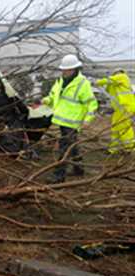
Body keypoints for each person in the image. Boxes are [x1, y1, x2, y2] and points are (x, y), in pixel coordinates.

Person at [42, 54, 98, 183]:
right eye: (63, 69)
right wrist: (46, 100)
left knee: (64, 148)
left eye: (67, 70)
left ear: (75, 69)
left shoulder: (82, 83)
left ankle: (59, 176)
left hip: (73, 122)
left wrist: (87, 120)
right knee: (72, 145)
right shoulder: (60, 81)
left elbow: (92, 103)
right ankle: (79, 169)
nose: (64, 72)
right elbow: (53, 96)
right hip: (62, 120)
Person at [96, 69, 135, 153]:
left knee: (124, 128)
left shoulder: (122, 77)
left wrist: (96, 82)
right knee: (115, 128)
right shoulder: (116, 84)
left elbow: (108, 80)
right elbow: (107, 88)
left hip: (125, 108)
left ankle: (130, 148)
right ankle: (113, 149)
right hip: (119, 109)